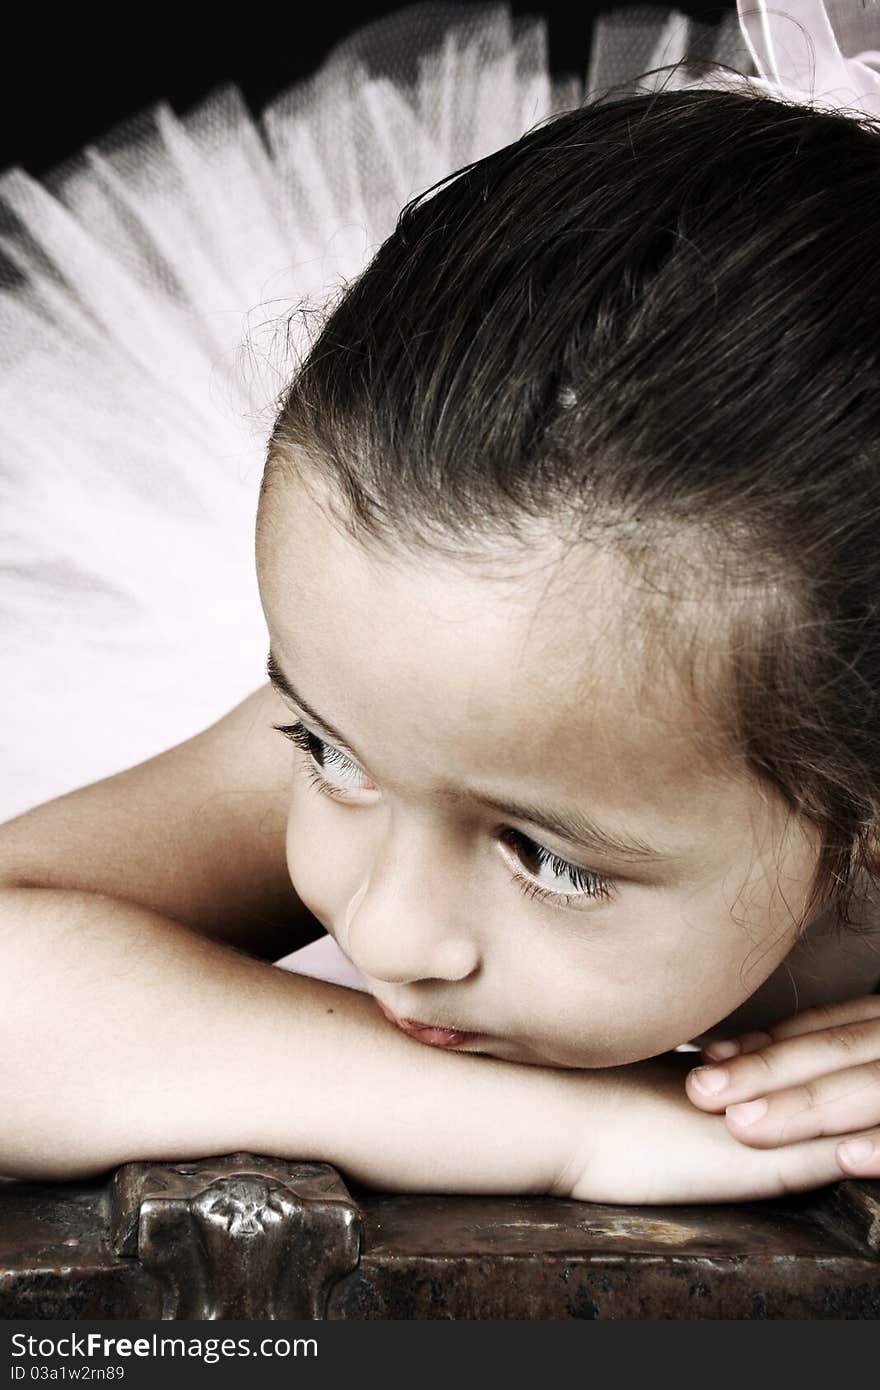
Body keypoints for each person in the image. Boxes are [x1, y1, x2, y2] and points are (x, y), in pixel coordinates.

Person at [2, 1, 880, 1204]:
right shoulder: (441, 711)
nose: (388, 936)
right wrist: (574, 1128)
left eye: (552, 860)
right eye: (325, 751)